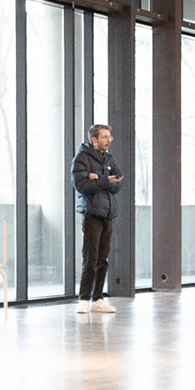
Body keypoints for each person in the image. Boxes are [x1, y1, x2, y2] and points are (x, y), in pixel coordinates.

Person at [71, 123, 124, 314]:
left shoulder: (109, 158)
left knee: (103, 260)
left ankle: (98, 299)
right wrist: (105, 179)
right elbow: (81, 185)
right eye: (104, 137)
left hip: (108, 214)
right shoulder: (81, 158)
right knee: (90, 259)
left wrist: (98, 179)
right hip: (92, 214)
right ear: (94, 139)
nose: (108, 140)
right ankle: (84, 299)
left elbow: (119, 182)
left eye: (110, 137)